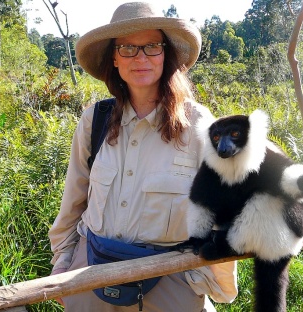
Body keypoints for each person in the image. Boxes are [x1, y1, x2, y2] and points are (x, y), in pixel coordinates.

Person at [48, 2, 238, 311]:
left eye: (151, 46)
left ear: (166, 54)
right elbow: (73, 202)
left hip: (168, 276)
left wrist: (209, 282)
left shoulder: (198, 125)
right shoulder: (95, 120)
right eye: (127, 48)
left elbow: (221, 212)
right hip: (90, 272)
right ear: (114, 57)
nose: (140, 58)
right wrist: (63, 262)